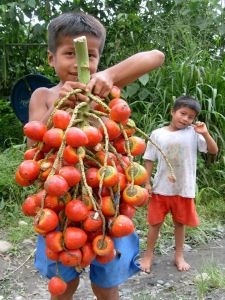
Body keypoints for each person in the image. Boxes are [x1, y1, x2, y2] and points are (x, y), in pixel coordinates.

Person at [28, 11, 165, 300]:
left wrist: (110, 75)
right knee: (63, 281)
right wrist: (62, 105)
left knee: (106, 282)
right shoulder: (44, 95)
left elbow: (156, 56)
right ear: (51, 58)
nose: (81, 63)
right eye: (69, 53)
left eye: (91, 56)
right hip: (60, 205)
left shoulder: (102, 89)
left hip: (108, 203)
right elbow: (35, 140)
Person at [140, 95, 218, 274]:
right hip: (160, 188)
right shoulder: (157, 133)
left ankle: (179, 255)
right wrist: (147, 183)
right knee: (154, 223)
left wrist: (205, 133)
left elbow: (214, 150)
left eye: (190, 117)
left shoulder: (193, 133)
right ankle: (148, 255)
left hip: (184, 189)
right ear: (172, 111)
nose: (185, 119)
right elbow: (149, 159)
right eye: (182, 113)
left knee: (180, 223)